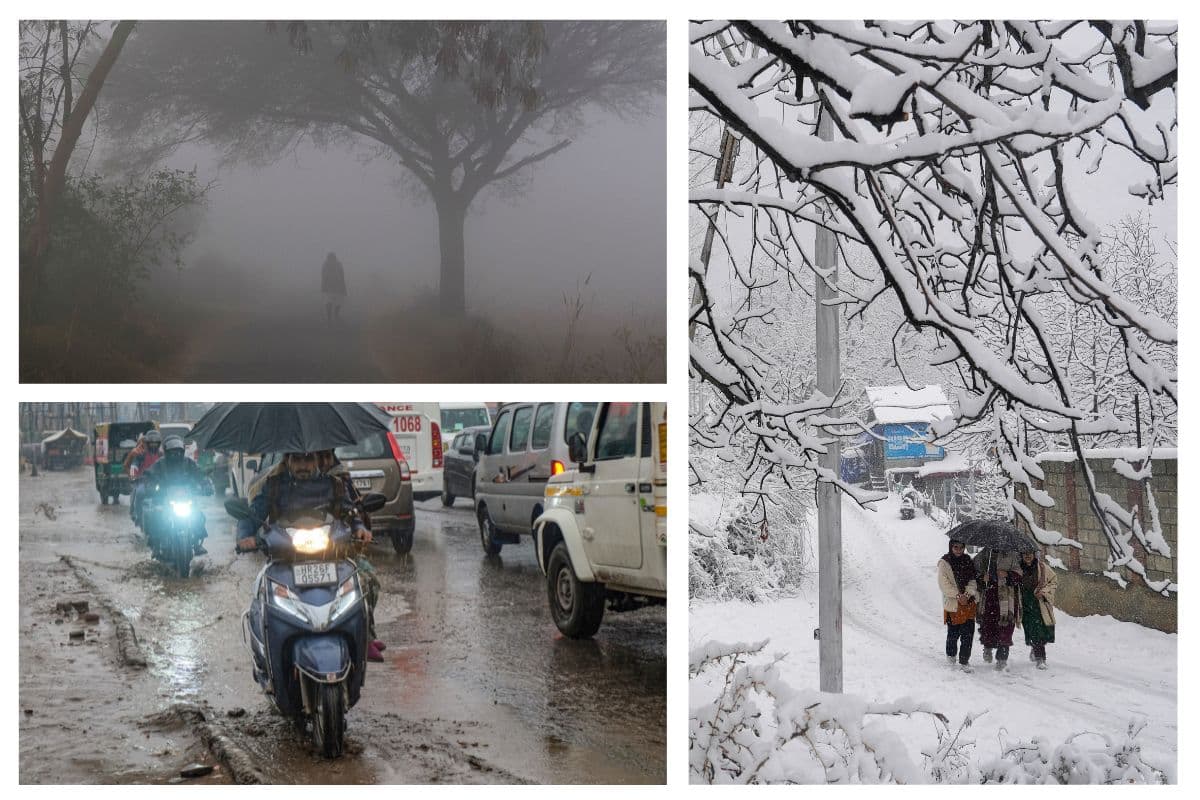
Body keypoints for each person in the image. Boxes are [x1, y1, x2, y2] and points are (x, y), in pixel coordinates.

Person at [237, 451, 385, 662]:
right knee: (262, 592)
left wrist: (359, 528)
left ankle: (364, 637)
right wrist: (245, 536)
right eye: (297, 459)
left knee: (367, 581)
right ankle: (266, 653)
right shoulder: (274, 486)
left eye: (308, 459)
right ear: (288, 461)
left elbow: (350, 511)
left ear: (317, 461)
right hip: (285, 558)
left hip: (331, 555)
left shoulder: (334, 485)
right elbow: (253, 513)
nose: (303, 465)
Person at [142, 436, 212, 555]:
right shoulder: (160, 464)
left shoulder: (188, 462)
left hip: (186, 498)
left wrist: (206, 485)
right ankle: (156, 545)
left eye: (178, 452)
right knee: (156, 516)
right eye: (172, 452)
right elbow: (149, 475)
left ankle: (196, 543)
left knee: (198, 515)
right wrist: (150, 487)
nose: (176, 454)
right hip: (165, 499)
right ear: (166, 452)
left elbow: (200, 474)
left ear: (182, 451)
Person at [975, 548, 1022, 669]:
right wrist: (982, 577)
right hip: (989, 596)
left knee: (1006, 628)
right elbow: (974, 570)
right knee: (988, 626)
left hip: (1006, 597)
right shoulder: (985, 554)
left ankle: (1002, 658)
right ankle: (987, 648)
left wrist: (1008, 574)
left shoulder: (1011, 555)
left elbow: (1019, 574)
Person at [937, 537, 979, 672]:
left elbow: (972, 581)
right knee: (953, 633)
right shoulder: (944, 562)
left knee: (968, 634)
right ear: (951, 547)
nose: (959, 550)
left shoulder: (968, 561)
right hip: (954, 604)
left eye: (961, 547)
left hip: (968, 603)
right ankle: (951, 656)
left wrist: (967, 595)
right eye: (956, 547)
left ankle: (964, 661)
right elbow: (944, 584)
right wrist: (958, 595)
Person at [1017, 548, 1058, 669]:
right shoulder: (1017, 569)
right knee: (1032, 631)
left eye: (1030, 553)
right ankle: (1038, 654)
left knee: (1042, 631)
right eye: (1025, 553)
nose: (1027, 556)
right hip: (1025, 605)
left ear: (1034, 554)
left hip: (1039, 604)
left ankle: (1039, 654)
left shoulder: (1043, 568)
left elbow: (1053, 581)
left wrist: (1044, 592)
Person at [128, 429, 164, 523]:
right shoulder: (141, 455)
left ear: (159, 444)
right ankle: (138, 515)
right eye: (151, 443)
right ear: (147, 443)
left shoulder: (162, 456)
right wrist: (133, 476)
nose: (153, 445)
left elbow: (169, 468)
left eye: (155, 443)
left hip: (159, 482)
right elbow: (134, 466)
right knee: (139, 492)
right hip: (143, 482)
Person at [321, 252, 347, 325]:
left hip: (331, 287)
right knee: (336, 302)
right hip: (335, 287)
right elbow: (342, 276)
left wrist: (323, 287)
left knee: (330, 302)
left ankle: (331, 317)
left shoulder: (326, 265)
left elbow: (323, 276)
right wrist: (344, 288)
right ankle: (335, 316)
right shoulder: (337, 265)